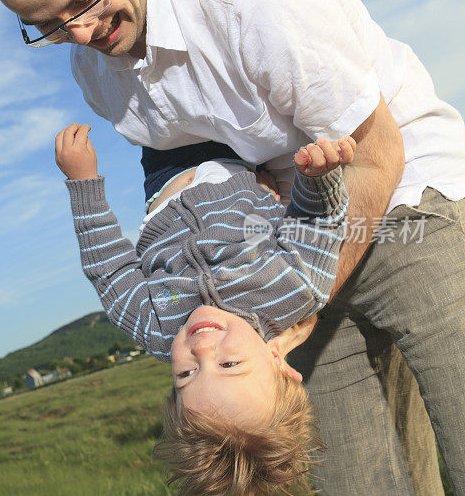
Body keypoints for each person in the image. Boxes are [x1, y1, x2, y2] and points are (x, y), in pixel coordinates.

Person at [0, 0, 465, 491]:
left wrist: (301, 302)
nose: (78, 33)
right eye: (46, 24)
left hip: (400, 202)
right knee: (358, 482)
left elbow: (374, 156)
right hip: (285, 244)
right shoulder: (96, 72)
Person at [56, 122, 352, 492]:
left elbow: (109, 271)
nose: (202, 349)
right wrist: (318, 178)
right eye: (229, 365)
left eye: (186, 375)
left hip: (167, 175)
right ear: (278, 362)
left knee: (159, 93)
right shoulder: (295, 289)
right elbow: (319, 224)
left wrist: (84, 185)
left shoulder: (156, 328)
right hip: (238, 154)